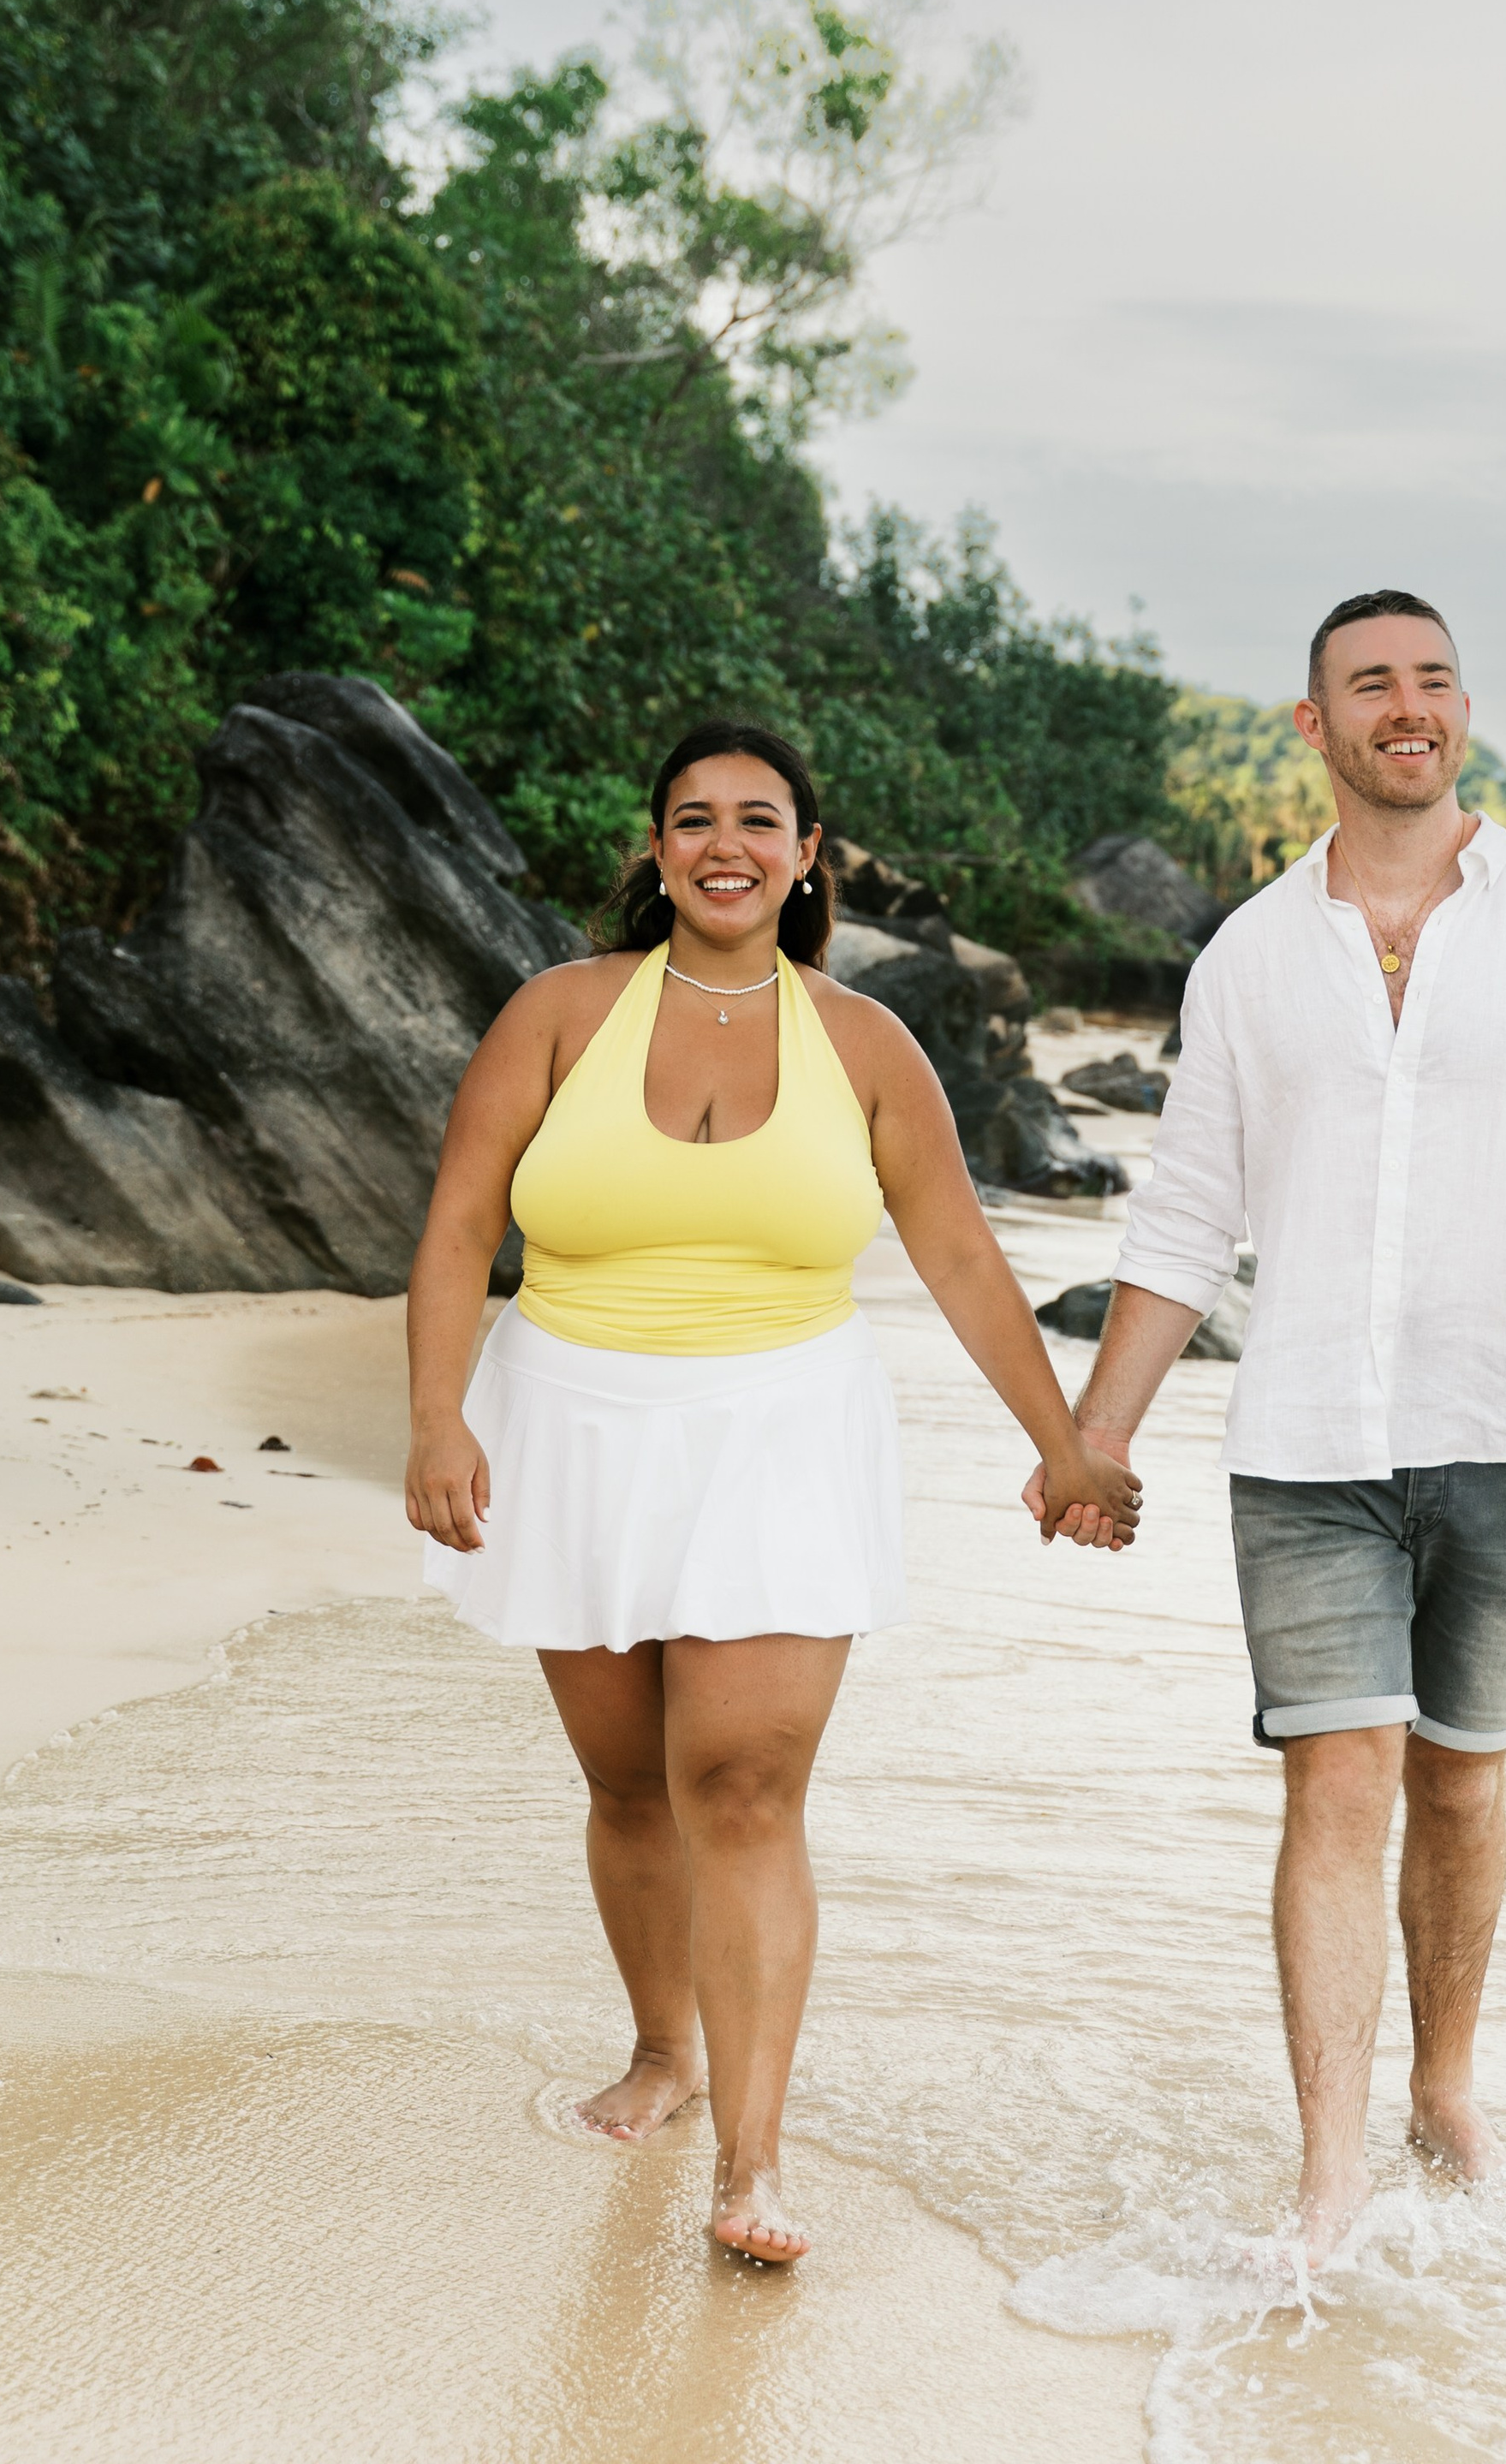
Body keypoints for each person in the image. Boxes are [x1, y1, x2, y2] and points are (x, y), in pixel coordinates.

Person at [406, 720, 1140, 2266]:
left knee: (743, 1788)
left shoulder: (866, 1044)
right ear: (654, 849)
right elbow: (463, 1217)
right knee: (624, 1784)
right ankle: (661, 2048)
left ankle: (753, 2162)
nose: (725, 844)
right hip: (572, 1425)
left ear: (810, 853)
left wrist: (1064, 1441)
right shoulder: (559, 1012)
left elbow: (956, 1255)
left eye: (760, 819)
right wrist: (434, 1419)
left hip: (781, 1434)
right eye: (694, 818)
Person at [1027, 591, 1506, 2254]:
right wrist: (1092, 1438)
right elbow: (1183, 1219)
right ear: (1311, 726)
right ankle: (1327, 2173)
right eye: (1368, 684)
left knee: (1459, 1783)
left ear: (1464, 710)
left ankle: (1442, 2087)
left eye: (1433, 679)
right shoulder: (1248, 954)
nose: (1409, 706)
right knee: (1336, 1783)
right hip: (1304, 1440)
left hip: (1502, 1431)